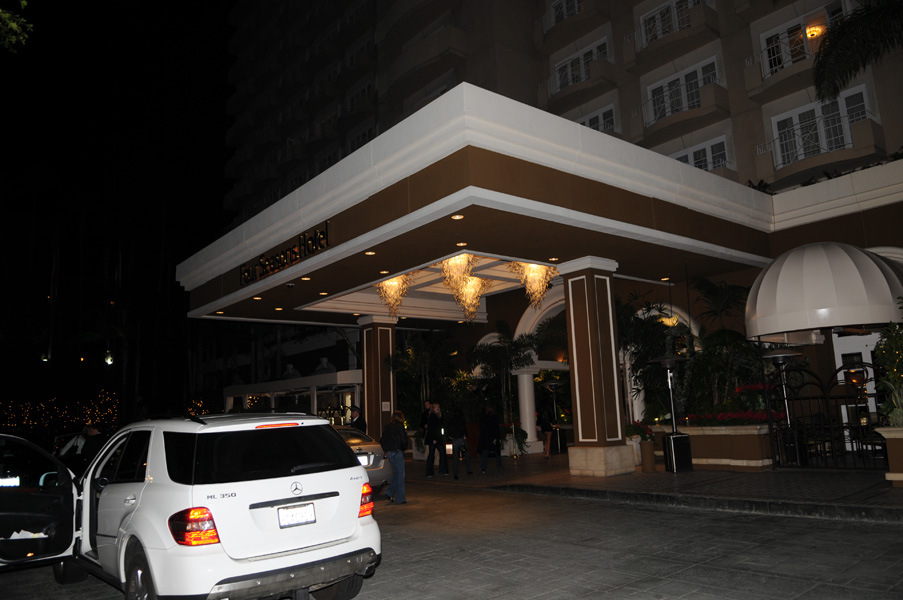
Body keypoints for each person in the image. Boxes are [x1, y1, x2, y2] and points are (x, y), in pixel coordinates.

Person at [380, 411, 408, 504]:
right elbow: (403, 441)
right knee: (400, 475)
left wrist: (386, 450)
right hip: (397, 451)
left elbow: (382, 440)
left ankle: (389, 492)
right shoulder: (400, 427)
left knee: (397, 473)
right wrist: (402, 448)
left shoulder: (387, 427)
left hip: (390, 452)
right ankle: (400, 498)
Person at [446, 407, 472, 480]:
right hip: (461, 439)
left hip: (454, 439)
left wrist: (450, 436)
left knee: (455, 457)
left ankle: (455, 473)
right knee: (466, 454)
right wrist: (465, 435)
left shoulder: (451, 419)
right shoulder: (461, 419)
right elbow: (464, 428)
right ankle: (469, 470)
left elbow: (447, 428)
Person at [424, 401, 448, 477]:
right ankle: (437, 471)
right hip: (434, 439)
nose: (438, 408)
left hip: (437, 438)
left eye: (438, 407)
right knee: (436, 454)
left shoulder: (437, 417)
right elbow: (432, 428)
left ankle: (432, 472)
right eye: (436, 407)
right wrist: (434, 439)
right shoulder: (433, 416)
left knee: (434, 454)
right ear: (433, 408)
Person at [477, 406, 504, 473]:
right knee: (497, 452)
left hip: (486, 438)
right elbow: (496, 429)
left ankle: (483, 468)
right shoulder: (494, 418)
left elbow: (482, 427)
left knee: (485, 453)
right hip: (493, 438)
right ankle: (499, 466)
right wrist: (498, 438)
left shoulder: (484, 418)